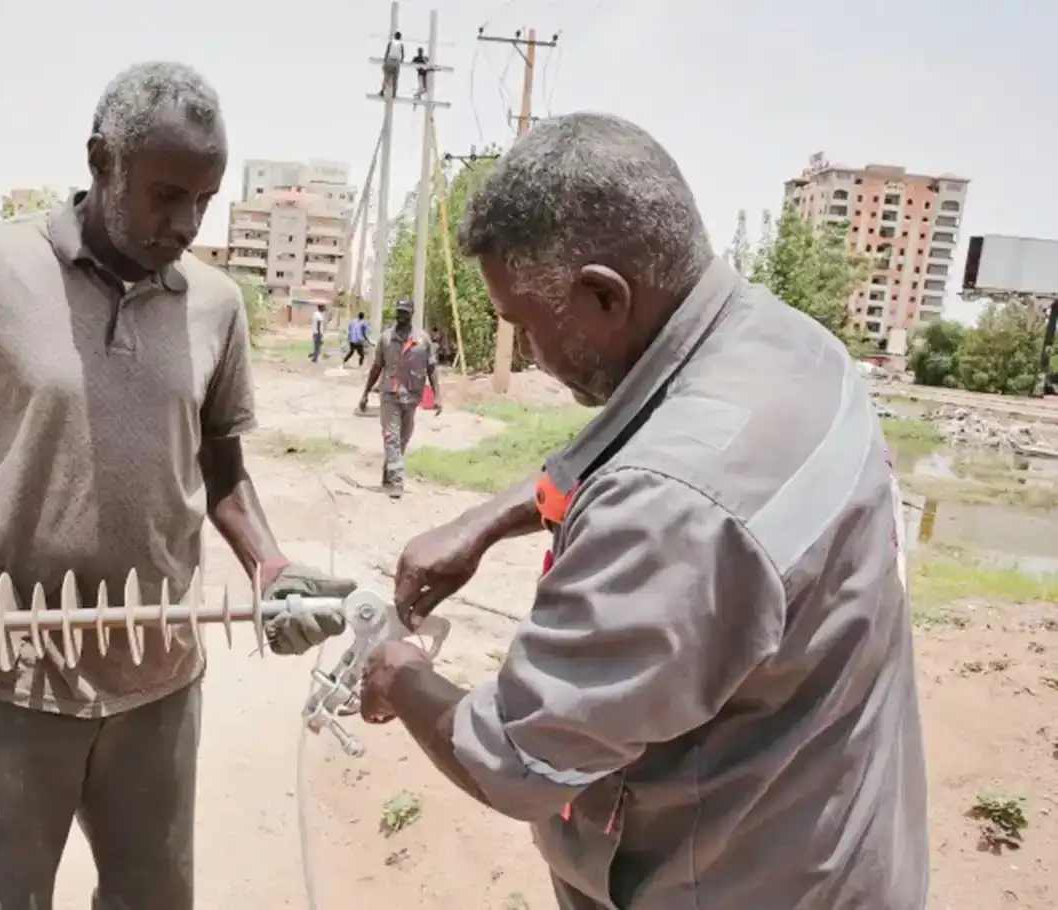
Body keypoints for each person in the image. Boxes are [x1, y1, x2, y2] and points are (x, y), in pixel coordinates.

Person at [0, 61, 353, 910]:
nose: (185, 224)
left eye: (203, 202)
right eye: (165, 195)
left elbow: (221, 471)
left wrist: (270, 566)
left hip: (161, 677)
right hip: (10, 675)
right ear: (102, 161)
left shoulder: (215, 303)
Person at [360, 113, 927, 909]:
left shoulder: (670, 503)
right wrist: (484, 523)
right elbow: (629, 452)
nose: (527, 353)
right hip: (833, 849)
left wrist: (401, 675)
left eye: (524, 325)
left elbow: (516, 760)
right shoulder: (788, 348)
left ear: (602, 295)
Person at [358, 299, 440, 499]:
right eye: (398, 312)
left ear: (411, 314)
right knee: (391, 437)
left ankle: (388, 476)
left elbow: (432, 368)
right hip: (390, 395)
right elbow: (376, 368)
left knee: (402, 440)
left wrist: (437, 395)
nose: (401, 315)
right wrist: (365, 393)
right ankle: (396, 482)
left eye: (405, 312)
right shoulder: (386, 338)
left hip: (412, 397)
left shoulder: (423, 340)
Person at [380, 30, 405, 98]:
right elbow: (403, 55)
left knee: (386, 77)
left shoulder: (391, 43)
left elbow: (387, 52)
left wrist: (385, 60)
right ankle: (394, 94)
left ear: (394, 36)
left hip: (389, 60)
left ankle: (382, 90)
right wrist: (401, 60)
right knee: (395, 79)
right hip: (396, 61)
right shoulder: (401, 44)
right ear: (400, 37)